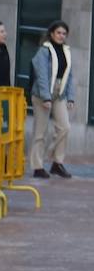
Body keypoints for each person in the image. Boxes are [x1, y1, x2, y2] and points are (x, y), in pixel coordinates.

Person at [30, 20, 76, 180]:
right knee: (40, 131)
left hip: (59, 93)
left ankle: (57, 163)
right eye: (59, 33)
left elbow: (69, 76)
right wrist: (45, 97)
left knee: (65, 127)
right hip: (42, 94)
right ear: (51, 34)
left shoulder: (66, 51)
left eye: (64, 33)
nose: (61, 36)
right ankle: (37, 166)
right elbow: (41, 75)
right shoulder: (44, 51)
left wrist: (71, 97)